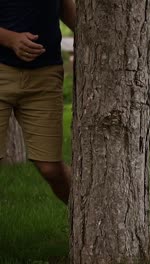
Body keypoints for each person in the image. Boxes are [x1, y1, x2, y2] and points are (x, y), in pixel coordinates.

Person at [0, 0, 76, 204]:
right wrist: (10, 39)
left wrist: (94, 42)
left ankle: (95, 226)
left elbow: (66, 7)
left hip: (45, 76)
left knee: (51, 168)